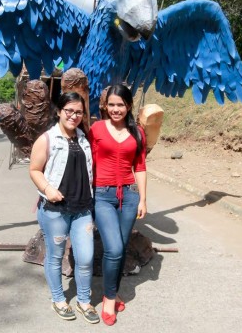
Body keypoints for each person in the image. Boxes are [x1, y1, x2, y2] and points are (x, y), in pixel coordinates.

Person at [29, 92, 100, 324]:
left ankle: (83, 300)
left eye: (79, 112)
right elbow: (34, 170)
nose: (74, 115)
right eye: (69, 110)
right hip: (55, 210)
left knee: (86, 257)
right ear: (59, 111)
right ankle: (58, 298)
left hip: (82, 209)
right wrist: (48, 189)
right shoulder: (47, 139)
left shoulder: (84, 138)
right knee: (56, 255)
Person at [88, 84, 147, 326]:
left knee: (120, 249)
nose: (115, 109)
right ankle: (109, 299)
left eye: (120, 104)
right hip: (102, 195)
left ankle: (112, 292)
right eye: (111, 104)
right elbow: (88, 161)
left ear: (129, 106)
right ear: (105, 106)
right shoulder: (97, 128)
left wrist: (143, 198)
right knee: (113, 248)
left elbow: (140, 166)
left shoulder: (137, 132)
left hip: (130, 195)